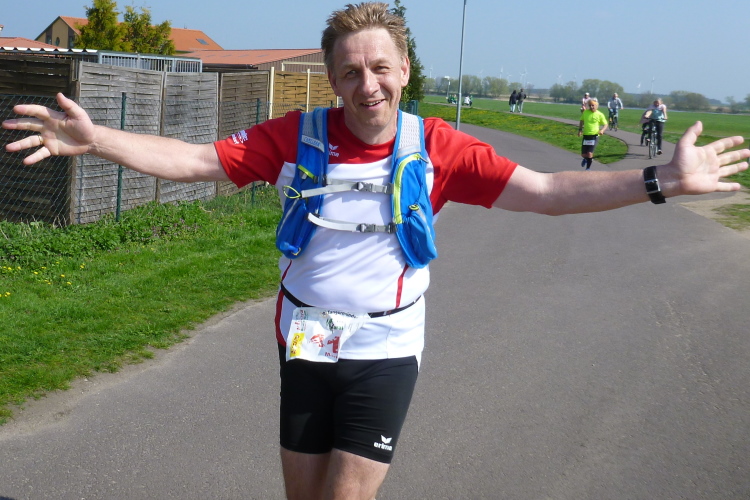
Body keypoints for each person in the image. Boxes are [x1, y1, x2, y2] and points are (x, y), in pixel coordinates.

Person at [3, 3, 748, 499]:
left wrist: (662, 179)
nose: (368, 85)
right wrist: (98, 141)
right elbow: (196, 160)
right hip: (305, 338)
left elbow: (548, 191)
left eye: (381, 67)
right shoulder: (297, 137)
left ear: (405, 72)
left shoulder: (439, 148)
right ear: (332, 79)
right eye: (352, 71)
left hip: (387, 348)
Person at [577, 97, 609, 170]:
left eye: (593, 105)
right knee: (583, 154)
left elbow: (606, 124)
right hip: (586, 135)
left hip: (594, 136)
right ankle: (586, 159)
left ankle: (588, 168)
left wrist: (602, 130)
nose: (591, 107)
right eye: (590, 105)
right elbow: (581, 121)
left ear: (596, 106)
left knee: (589, 153)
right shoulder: (585, 112)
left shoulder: (600, 114)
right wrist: (580, 130)